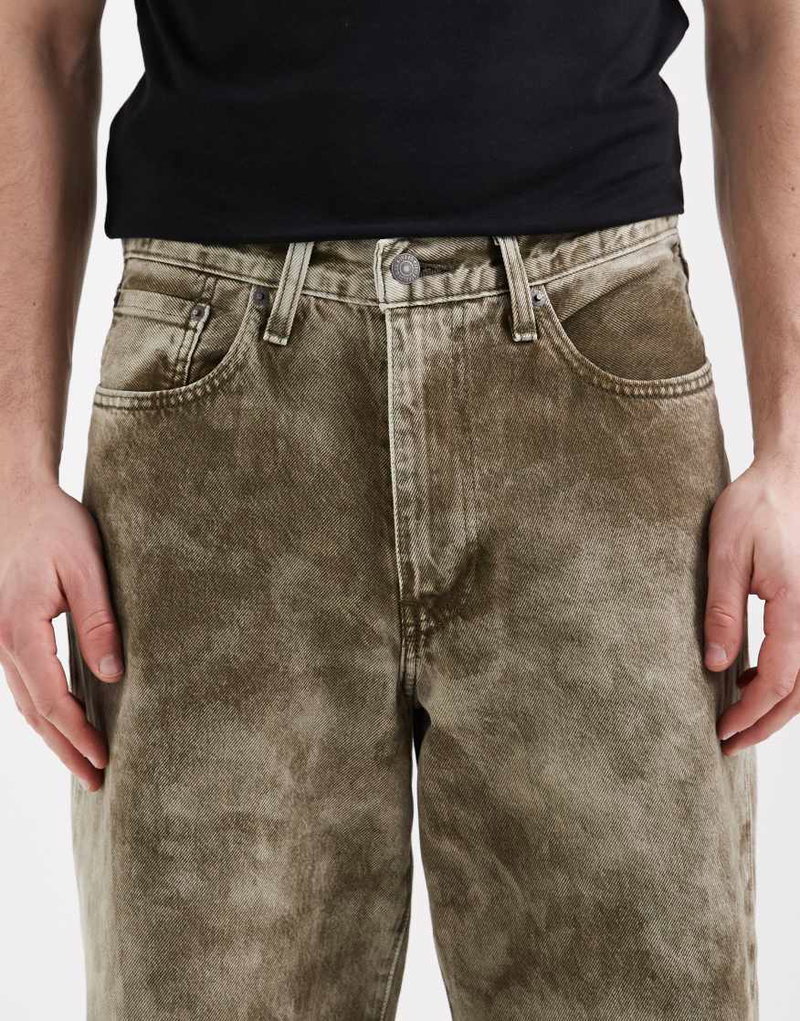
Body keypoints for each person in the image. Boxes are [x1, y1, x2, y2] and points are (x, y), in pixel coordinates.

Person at [0, 0, 796, 1017]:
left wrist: (793, 444)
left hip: (594, 380)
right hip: (219, 412)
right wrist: (13, 474)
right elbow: (35, 34)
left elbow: (767, 25)